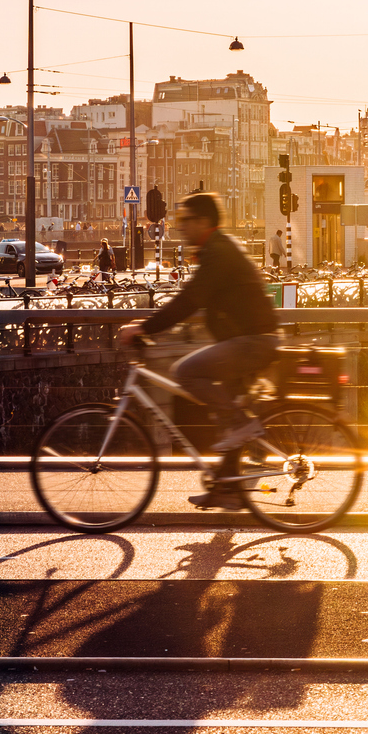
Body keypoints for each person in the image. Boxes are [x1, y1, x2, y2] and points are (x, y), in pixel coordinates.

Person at [114, 192, 281, 509]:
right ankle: (227, 489)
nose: (181, 228)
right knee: (226, 415)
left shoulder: (218, 253)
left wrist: (143, 328)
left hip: (252, 342)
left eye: (186, 221)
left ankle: (243, 425)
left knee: (186, 372)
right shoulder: (216, 250)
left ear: (204, 222)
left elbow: (189, 302)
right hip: (247, 340)